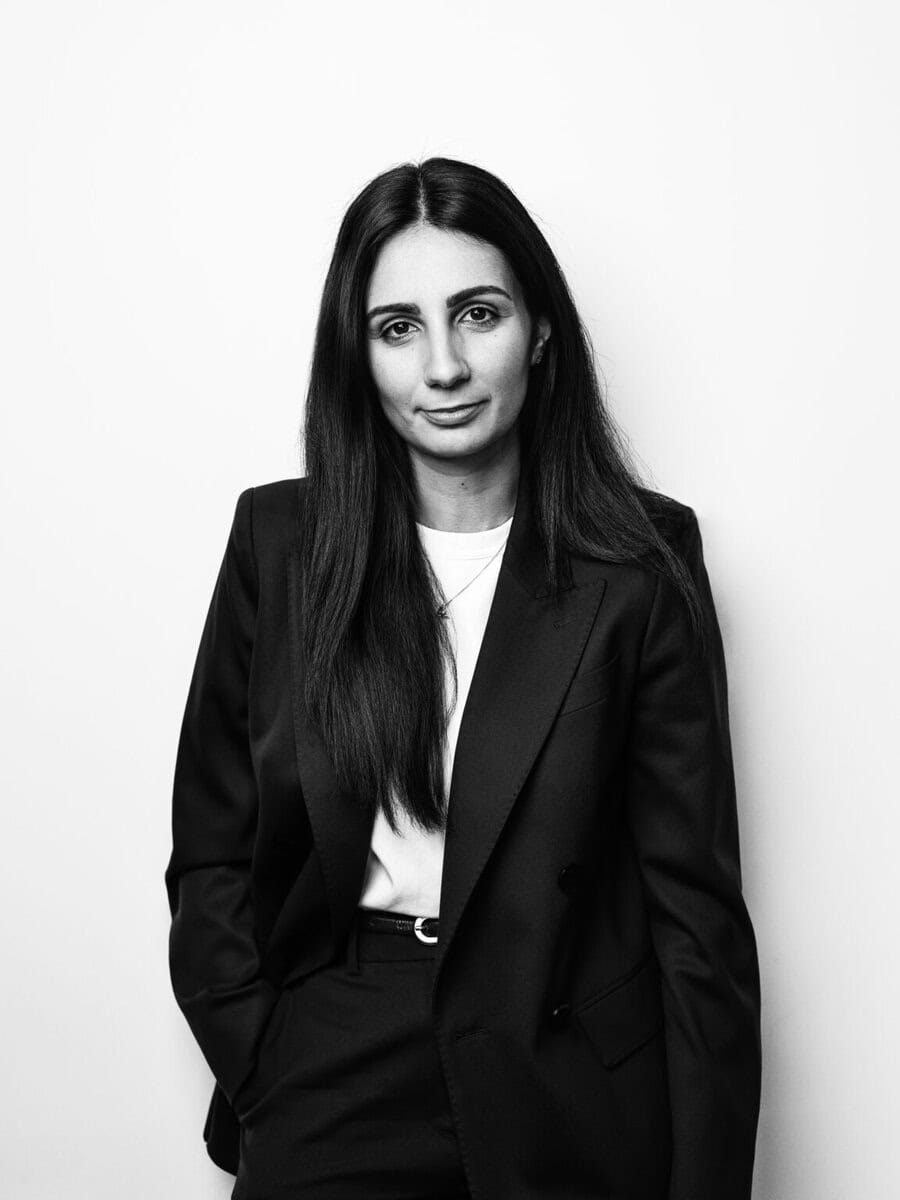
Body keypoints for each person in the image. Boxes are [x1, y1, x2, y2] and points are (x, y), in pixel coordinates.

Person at [165, 156, 762, 1200]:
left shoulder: (641, 565)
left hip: (564, 1063)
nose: (443, 366)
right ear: (358, 355)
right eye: (398, 328)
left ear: (540, 331)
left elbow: (695, 915)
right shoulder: (281, 542)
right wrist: (260, 1057)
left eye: (477, 314)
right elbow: (213, 848)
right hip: (331, 1059)